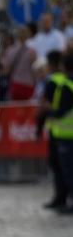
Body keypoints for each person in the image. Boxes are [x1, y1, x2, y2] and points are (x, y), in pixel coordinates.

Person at [37, 50, 68, 210]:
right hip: (63, 130)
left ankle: (60, 198)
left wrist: (39, 127)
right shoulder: (65, 80)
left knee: (58, 167)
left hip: (59, 130)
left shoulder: (52, 82)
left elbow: (45, 107)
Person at [47, 51, 73, 215]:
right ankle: (62, 198)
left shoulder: (66, 85)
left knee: (68, 171)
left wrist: (48, 113)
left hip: (65, 135)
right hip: (64, 134)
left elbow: (61, 111)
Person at [1, 25, 37, 101]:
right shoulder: (32, 51)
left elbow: (5, 70)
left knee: (15, 108)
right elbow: (35, 70)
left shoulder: (10, 50)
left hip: (15, 84)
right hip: (29, 85)